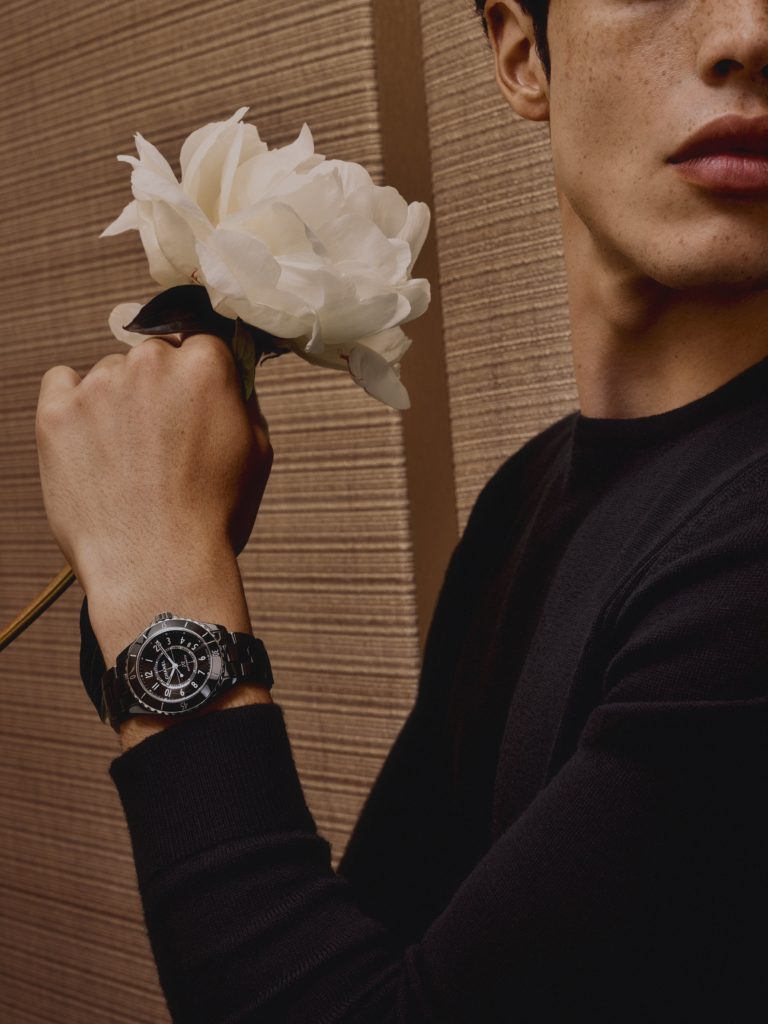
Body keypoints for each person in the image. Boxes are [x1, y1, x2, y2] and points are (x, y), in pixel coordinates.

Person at [35, 1, 768, 1020]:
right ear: (523, 52)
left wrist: (163, 586)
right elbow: (382, 944)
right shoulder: (526, 494)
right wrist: (145, 557)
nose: (747, 34)